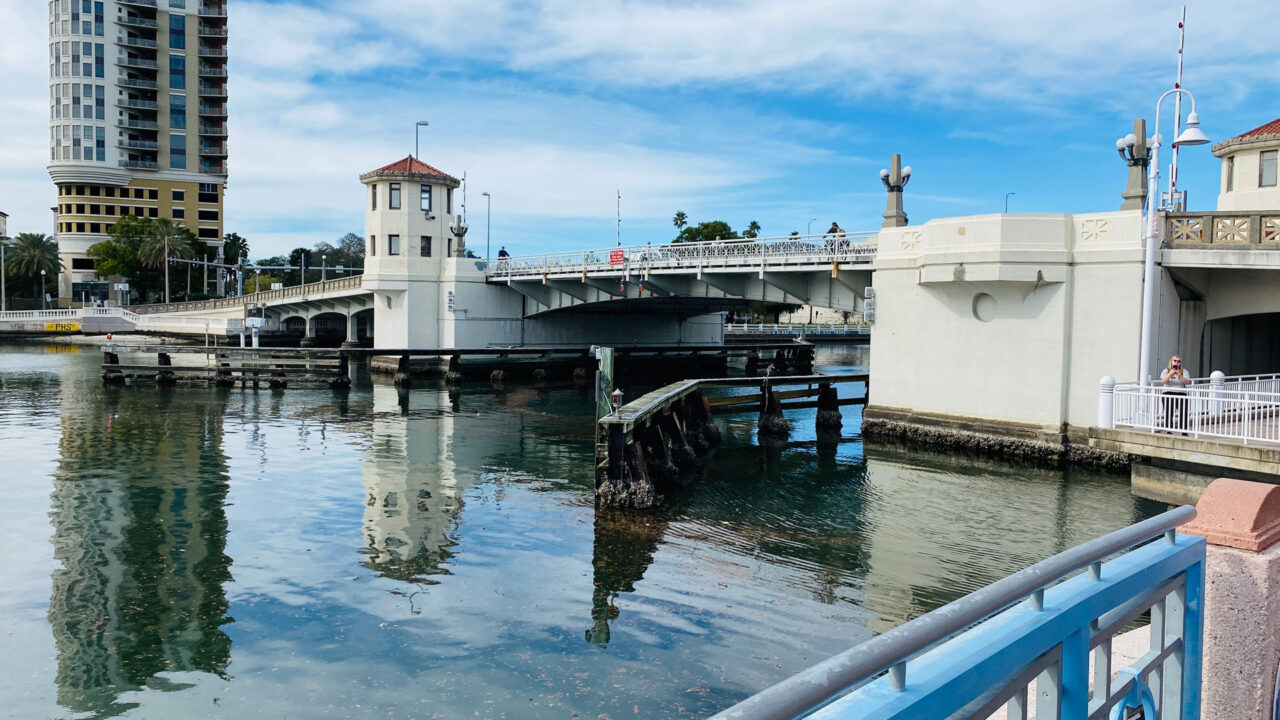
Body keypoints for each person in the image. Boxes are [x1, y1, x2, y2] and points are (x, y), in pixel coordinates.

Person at [1160, 355, 1191, 430]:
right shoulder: (1166, 370)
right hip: (1168, 393)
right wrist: (1170, 373)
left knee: (1183, 412)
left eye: (1179, 361)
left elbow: (1187, 382)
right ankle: (1168, 429)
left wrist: (1179, 375)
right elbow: (1163, 381)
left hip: (1181, 393)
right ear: (1171, 362)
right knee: (1168, 412)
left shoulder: (1184, 371)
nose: (1177, 363)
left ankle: (1184, 430)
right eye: (1175, 361)